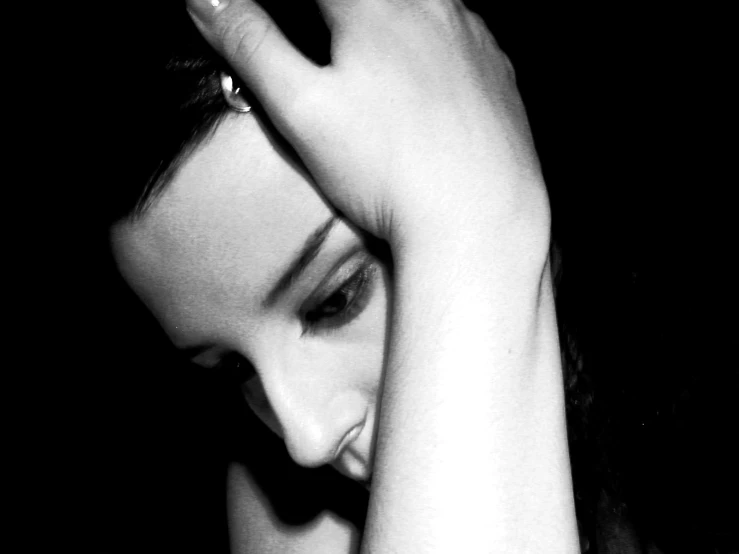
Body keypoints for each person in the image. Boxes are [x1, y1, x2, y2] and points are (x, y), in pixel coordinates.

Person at [71, 1, 735, 553]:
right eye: (231, 369)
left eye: (338, 298)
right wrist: (473, 240)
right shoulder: (294, 519)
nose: (303, 436)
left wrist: (471, 221)